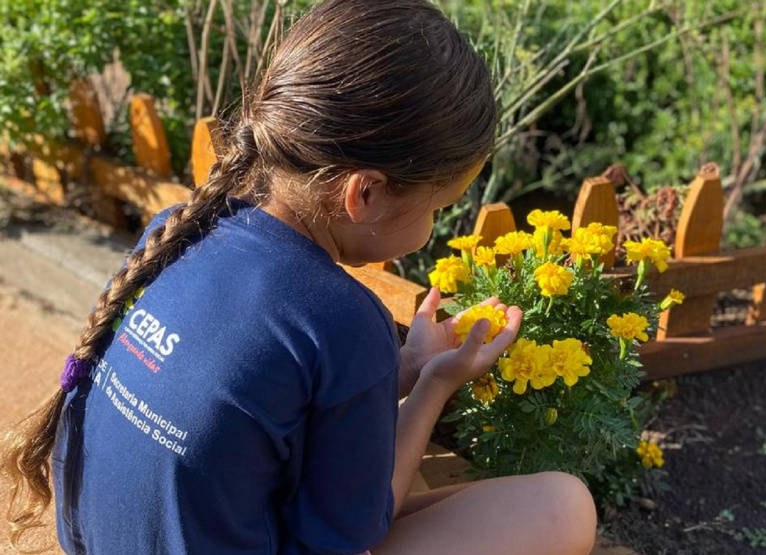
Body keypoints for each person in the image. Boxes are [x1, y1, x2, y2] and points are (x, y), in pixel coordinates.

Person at [2, 1, 597, 553]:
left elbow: (247, 403)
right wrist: (435, 384)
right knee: (562, 507)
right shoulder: (343, 318)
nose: (436, 226)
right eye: (439, 206)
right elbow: (354, 532)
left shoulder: (177, 234)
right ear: (364, 193)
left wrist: (403, 368)